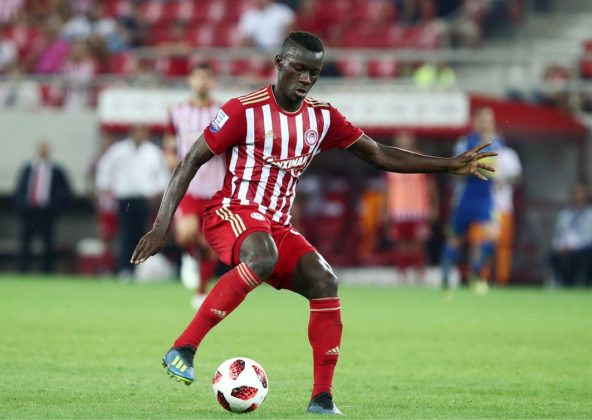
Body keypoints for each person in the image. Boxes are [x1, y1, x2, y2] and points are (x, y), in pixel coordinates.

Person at [130, 31, 495, 415]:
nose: (306, 79)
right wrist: (161, 225)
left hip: (276, 226)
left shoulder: (322, 117)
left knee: (324, 280)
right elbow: (190, 160)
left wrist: (447, 164)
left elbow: (378, 153)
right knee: (263, 255)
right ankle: (184, 347)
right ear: (279, 64)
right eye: (299, 69)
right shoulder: (243, 110)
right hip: (231, 212)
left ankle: (322, 398)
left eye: (314, 73)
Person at [163, 63, 226, 309]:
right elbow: (170, 141)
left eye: (206, 78)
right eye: (198, 78)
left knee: (210, 245)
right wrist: (170, 157)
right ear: (190, 80)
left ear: (213, 82)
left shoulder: (222, 112)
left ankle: (201, 290)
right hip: (188, 187)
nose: (202, 82)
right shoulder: (177, 111)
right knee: (185, 234)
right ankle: (189, 257)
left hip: (215, 189)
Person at [441, 107, 502, 294]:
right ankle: (445, 279)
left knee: (492, 234)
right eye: (483, 120)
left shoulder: (497, 143)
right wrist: (482, 165)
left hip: (485, 199)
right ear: (475, 122)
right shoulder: (466, 142)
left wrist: (481, 165)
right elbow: (461, 165)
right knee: (455, 238)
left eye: (489, 120)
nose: (486, 123)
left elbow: (496, 168)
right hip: (465, 197)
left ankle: (476, 273)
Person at [96, 124, 169, 278]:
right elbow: (104, 169)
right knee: (126, 234)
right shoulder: (118, 150)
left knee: (143, 234)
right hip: (124, 198)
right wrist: (107, 189)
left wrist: (158, 192)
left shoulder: (153, 152)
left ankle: (141, 269)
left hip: (145, 200)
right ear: (131, 133)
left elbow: (163, 175)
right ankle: (125, 268)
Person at [384, 132, 439, 277]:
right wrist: (386, 209)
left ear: (413, 141)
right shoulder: (390, 160)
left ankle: (419, 271)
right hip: (399, 209)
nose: (404, 143)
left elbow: (431, 186)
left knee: (418, 242)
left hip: (418, 208)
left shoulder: (421, 159)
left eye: (407, 140)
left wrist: (434, 206)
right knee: (401, 242)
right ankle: (402, 272)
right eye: (401, 140)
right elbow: (388, 187)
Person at [14, 141, 72, 273]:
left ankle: (47, 270)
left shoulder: (56, 170)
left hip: (46, 211)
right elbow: (20, 189)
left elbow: (66, 191)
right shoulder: (28, 168)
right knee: (25, 240)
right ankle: (23, 270)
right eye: (41, 148)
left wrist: (56, 208)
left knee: (47, 242)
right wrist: (21, 206)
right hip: (29, 211)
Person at [549, 183, 592, 288]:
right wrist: (560, 246)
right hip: (565, 248)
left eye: (581, 199)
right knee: (553, 256)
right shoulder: (565, 214)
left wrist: (573, 247)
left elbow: (588, 238)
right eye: (576, 199)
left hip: (583, 248)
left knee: (583, 256)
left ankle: (582, 285)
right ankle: (562, 285)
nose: (578, 202)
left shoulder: (590, 215)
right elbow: (558, 233)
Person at [492, 144, 522, 284]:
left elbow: (518, 177)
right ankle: (481, 277)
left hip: (503, 207)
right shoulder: (478, 151)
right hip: (485, 208)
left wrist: (504, 180)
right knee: (482, 243)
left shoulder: (508, 154)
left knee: (503, 246)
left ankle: (501, 280)